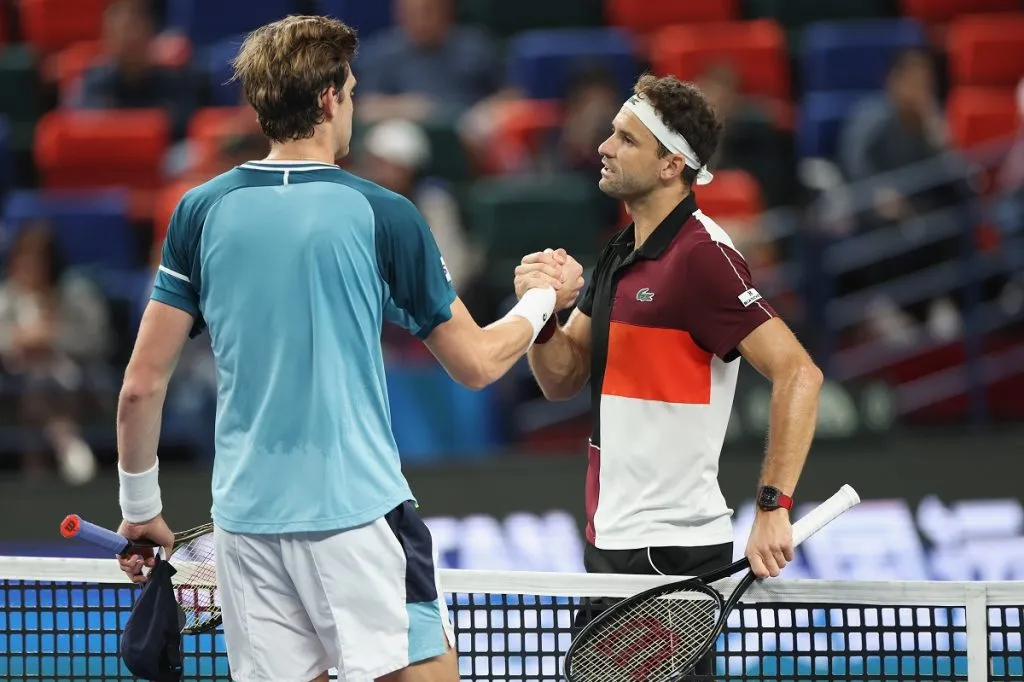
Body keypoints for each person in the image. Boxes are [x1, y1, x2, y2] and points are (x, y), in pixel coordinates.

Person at [112, 15, 583, 682]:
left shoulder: (198, 211)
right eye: (354, 92)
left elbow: (139, 387)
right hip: (358, 519)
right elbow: (477, 364)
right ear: (330, 98)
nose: (354, 105)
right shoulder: (384, 213)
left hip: (245, 527)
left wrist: (140, 512)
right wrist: (541, 300)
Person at [515, 74, 823, 676]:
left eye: (626, 139)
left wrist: (772, 506)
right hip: (612, 541)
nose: (604, 146)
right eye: (612, 133)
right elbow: (562, 378)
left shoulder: (703, 256)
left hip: (670, 553)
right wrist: (542, 316)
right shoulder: (619, 250)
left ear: (670, 165)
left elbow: (799, 374)